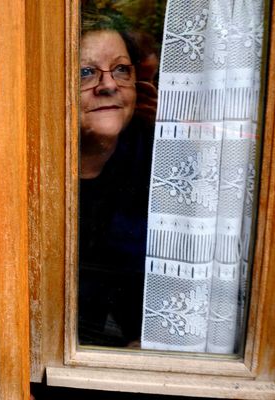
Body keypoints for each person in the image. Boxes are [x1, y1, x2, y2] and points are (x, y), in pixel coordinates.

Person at [77, 25, 157, 347]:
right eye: (86, 72)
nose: (108, 84)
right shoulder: (28, 173)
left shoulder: (162, 163)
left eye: (121, 70)